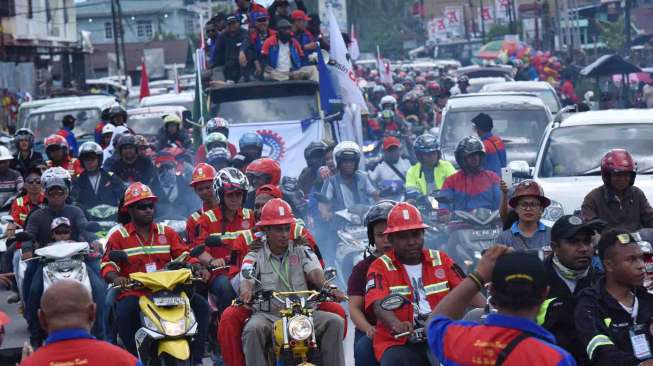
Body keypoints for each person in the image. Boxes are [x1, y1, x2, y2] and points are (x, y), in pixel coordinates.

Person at [217, 186, 341, 366]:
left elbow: (314, 271)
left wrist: (328, 287)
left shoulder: (301, 247)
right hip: (269, 314)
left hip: (304, 312)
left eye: (286, 228)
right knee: (252, 330)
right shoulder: (254, 252)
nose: (284, 235)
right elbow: (246, 274)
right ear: (266, 229)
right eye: (277, 229)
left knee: (335, 321)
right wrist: (246, 291)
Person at [100, 182, 208, 364]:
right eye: (142, 207)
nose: (149, 210)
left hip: (170, 290)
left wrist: (196, 266)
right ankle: (135, 358)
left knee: (202, 307)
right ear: (130, 210)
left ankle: (196, 358)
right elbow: (107, 264)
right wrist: (117, 278)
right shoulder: (118, 236)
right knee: (125, 313)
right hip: (137, 292)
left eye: (151, 205)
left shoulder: (167, 232)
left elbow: (184, 255)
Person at [365, 202, 483, 365]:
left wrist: (489, 310)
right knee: (396, 361)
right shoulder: (380, 266)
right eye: (403, 236)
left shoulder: (441, 259)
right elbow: (378, 304)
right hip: (401, 342)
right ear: (390, 239)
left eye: (416, 234)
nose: (411, 241)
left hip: (444, 332)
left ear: (423, 234)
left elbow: (468, 291)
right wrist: (396, 324)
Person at [428, 248, 577, 365]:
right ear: (545, 294)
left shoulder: (460, 340)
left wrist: (478, 276)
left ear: (491, 290)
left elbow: (435, 322)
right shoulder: (554, 359)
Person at [22, 167, 105, 347]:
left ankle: (103, 333)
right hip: (46, 263)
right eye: (52, 193)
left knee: (100, 287)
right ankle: (35, 335)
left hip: (77, 260)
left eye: (60, 192)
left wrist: (94, 240)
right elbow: (29, 235)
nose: (56, 196)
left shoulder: (75, 211)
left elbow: (84, 227)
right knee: (33, 290)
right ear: (46, 194)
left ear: (66, 193)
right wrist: (27, 248)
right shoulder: (37, 215)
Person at [574, 229, 653, 365]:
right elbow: (600, 352)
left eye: (641, 258)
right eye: (631, 259)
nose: (641, 266)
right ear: (609, 265)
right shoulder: (590, 304)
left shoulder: (647, 299)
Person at [19, 280, 140, 366]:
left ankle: (34, 340)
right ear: (93, 313)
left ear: (42, 319)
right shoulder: (125, 361)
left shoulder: (31, 363)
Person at [538, 215, 603, 365]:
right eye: (573, 242)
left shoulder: (602, 281)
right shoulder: (535, 282)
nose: (584, 249)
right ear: (555, 247)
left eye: (587, 241)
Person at [349, 200, 396, 366]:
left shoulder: (411, 262)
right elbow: (354, 308)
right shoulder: (362, 269)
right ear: (372, 238)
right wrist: (369, 329)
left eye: (390, 233)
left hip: (410, 328)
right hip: (373, 330)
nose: (386, 240)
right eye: (380, 235)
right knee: (364, 349)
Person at [581, 149, 653, 232]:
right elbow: (589, 224)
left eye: (626, 175)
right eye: (617, 175)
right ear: (607, 176)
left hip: (637, 242)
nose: (622, 179)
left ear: (632, 176)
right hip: (606, 243)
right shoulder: (593, 198)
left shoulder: (637, 194)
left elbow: (649, 217)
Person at [439, 136, 501, 214]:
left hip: (491, 223)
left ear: (481, 157)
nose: (474, 158)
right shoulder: (451, 181)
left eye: (476, 154)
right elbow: (444, 201)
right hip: (460, 224)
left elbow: (501, 200)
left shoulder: (493, 178)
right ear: (461, 158)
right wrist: (444, 212)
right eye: (470, 155)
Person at [496, 180, 552, 250]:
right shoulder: (504, 238)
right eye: (524, 204)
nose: (528, 209)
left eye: (533, 204)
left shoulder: (551, 235)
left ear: (541, 209)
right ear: (516, 208)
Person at [71, 142, 125, 212]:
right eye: (86, 159)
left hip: (112, 217)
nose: (89, 162)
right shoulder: (78, 180)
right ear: (82, 161)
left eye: (93, 159)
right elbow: (73, 200)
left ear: (99, 159)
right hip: (87, 219)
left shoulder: (111, 177)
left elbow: (123, 196)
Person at [152, 151, 198, 219]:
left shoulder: (185, 185)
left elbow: (193, 206)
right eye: (162, 168)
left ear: (174, 167)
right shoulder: (152, 189)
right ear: (156, 170)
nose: (166, 171)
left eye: (169, 167)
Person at [186, 163, 219, 246]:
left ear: (216, 185)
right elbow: (192, 249)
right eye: (200, 189)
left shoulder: (230, 211)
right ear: (195, 191)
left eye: (208, 187)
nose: (204, 192)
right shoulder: (193, 220)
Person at [370, 137, 411, 201]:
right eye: (389, 150)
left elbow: (414, 183)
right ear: (384, 152)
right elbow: (370, 184)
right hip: (387, 205)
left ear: (399, 150)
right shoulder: (379, 167)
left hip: (406, 202)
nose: (392, 152)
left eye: (394, 149)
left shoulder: (407, 163)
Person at [213, 15, 250, 82]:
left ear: (238, 23)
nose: (232, 25)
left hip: (242, 66)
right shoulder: (222, 37)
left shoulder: (244, 32)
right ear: (226, 26)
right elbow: (217, 54)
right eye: (229, 24)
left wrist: (242, 51)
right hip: (227, 67)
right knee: (216, 70)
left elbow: (246, 41)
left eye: (234, 23)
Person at [472, 113, 506, 177]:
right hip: (501, 180)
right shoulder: (498, 141)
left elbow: (479, 168)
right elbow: (503, 163)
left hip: (488, 182)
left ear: (479, 129)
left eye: (475, 128)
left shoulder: (482, 145)